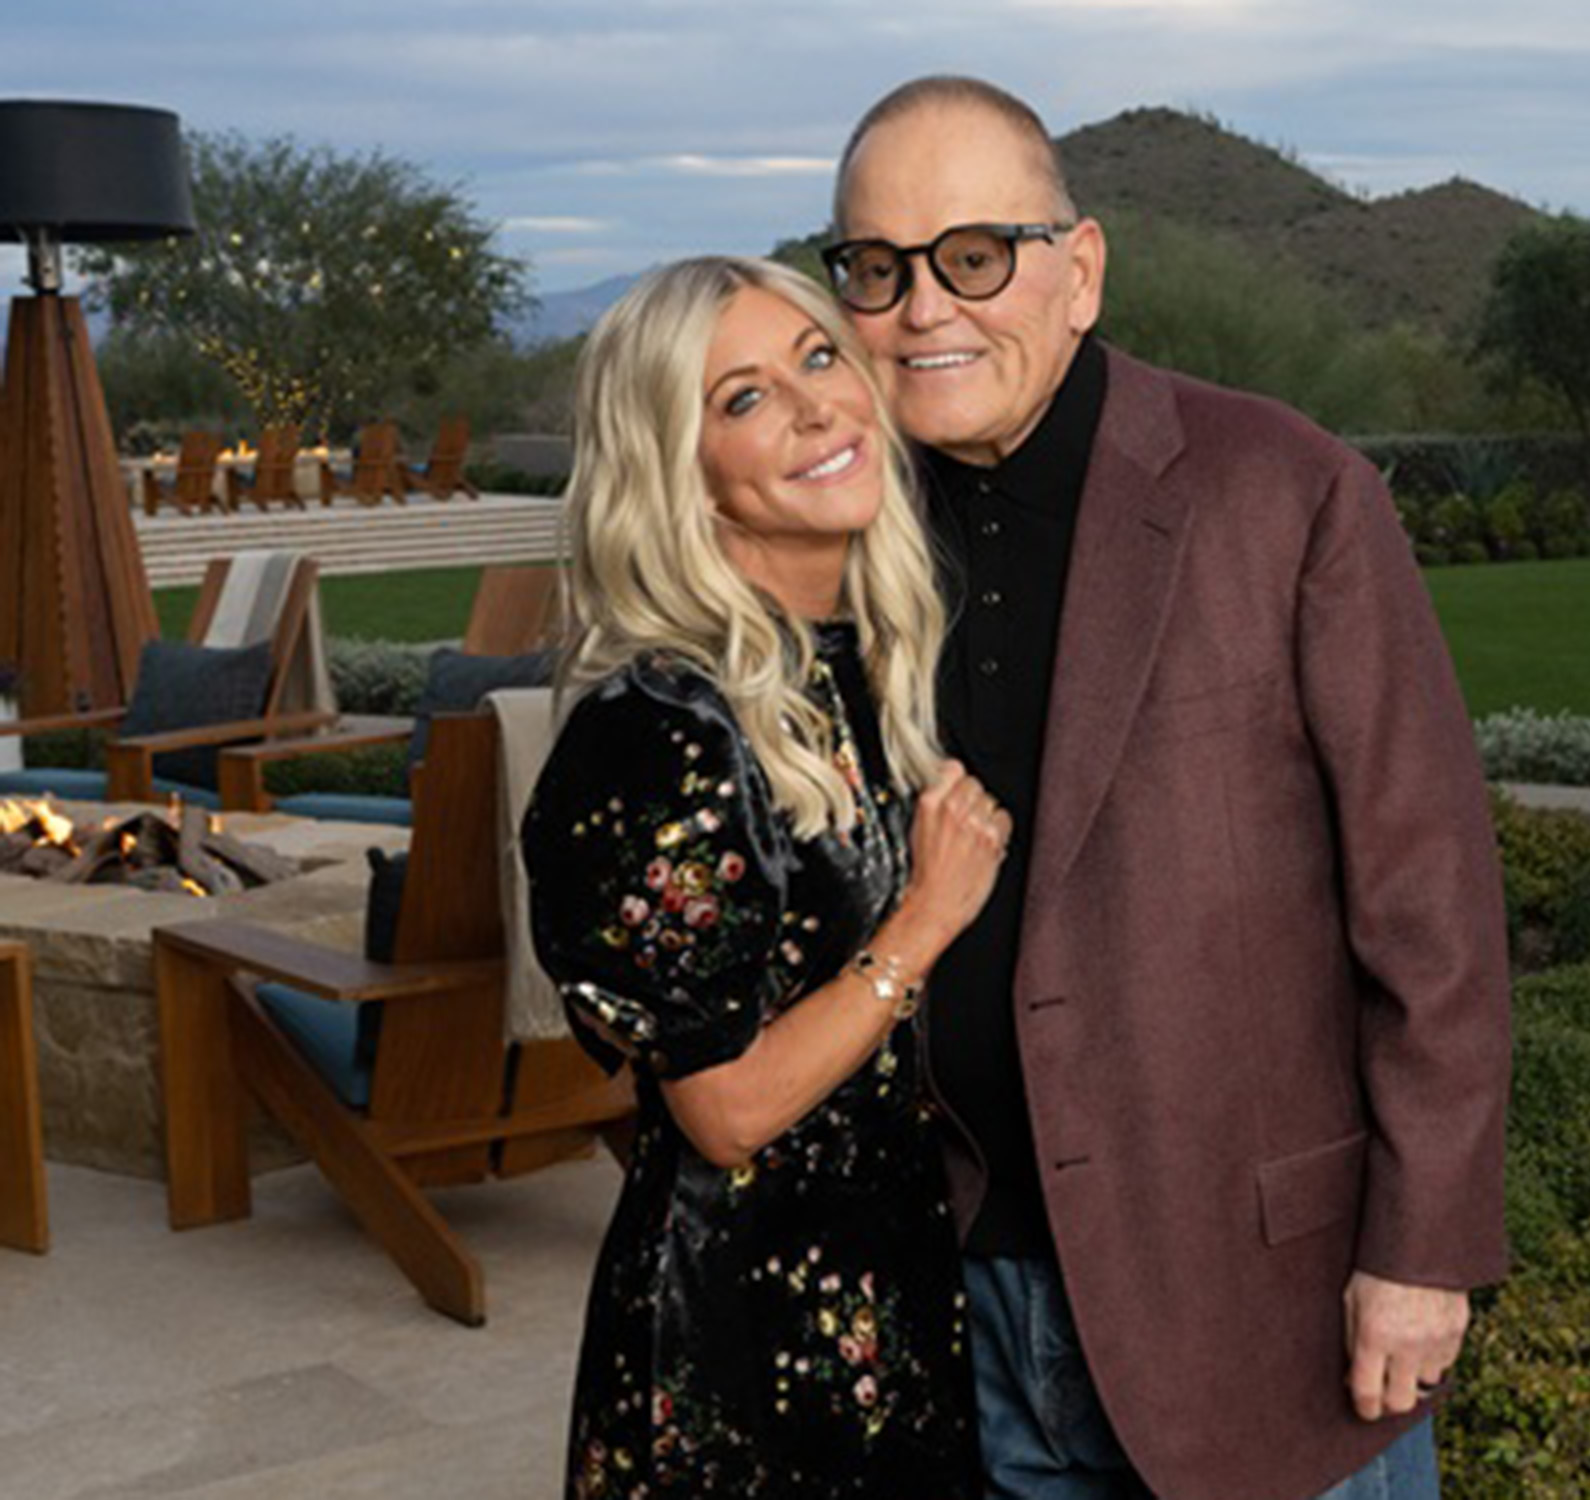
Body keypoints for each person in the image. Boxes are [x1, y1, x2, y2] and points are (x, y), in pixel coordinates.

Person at [822, 77, 1514, 1500]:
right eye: (877, 271)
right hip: (974, 1315)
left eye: (972, 257)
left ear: (1079, 270)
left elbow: (1431, 905)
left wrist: (1423, 1251)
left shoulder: (1286, 491)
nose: (924, 309)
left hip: (1266, 1312)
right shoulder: (848, 534)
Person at [521, 255, 1011, 1498]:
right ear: (675, 468)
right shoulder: (658, 730)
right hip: (739, 1334)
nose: (811, 408)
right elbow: (723, 1110)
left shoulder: (868, 665)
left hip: (892, 1289)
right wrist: (923, 921)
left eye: (815, 358)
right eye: (740, 399)